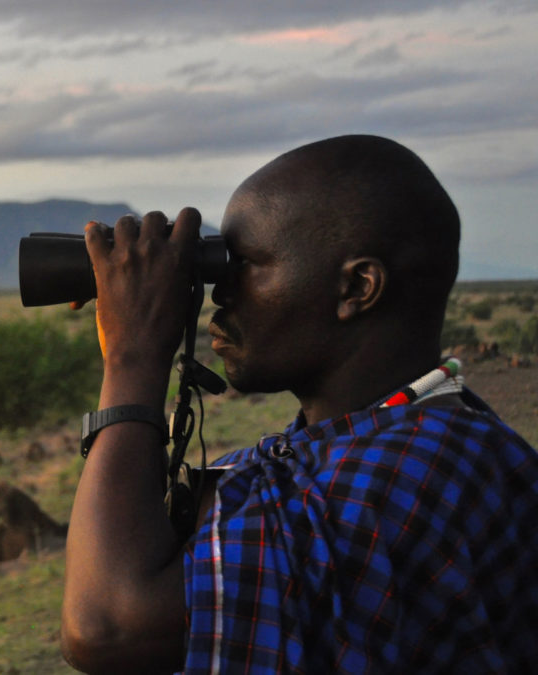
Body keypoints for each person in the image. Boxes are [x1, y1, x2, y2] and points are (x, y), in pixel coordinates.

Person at [60, 135, 538, 673]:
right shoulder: (379, 446)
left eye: (246, 264)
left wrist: (133, 356)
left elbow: (106, 627)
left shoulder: (412, 473)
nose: (222, 293)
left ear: (357, 287)